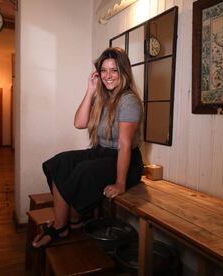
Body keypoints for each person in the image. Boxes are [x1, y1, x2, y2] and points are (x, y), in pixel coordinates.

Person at [33, 47, 143, 247]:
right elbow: (79, 123)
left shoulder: (129, 100)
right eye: (104, 70)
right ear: (98, 73)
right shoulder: (103, 97)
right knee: (60, 162)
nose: (108, 76)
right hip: (102, 153)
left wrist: (120, 183)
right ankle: (68, 224)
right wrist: (90, 90)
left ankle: (60, 227)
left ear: (123, 72)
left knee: (84, 170)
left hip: (125, 160)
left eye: (114, 70)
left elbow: (125, 145)